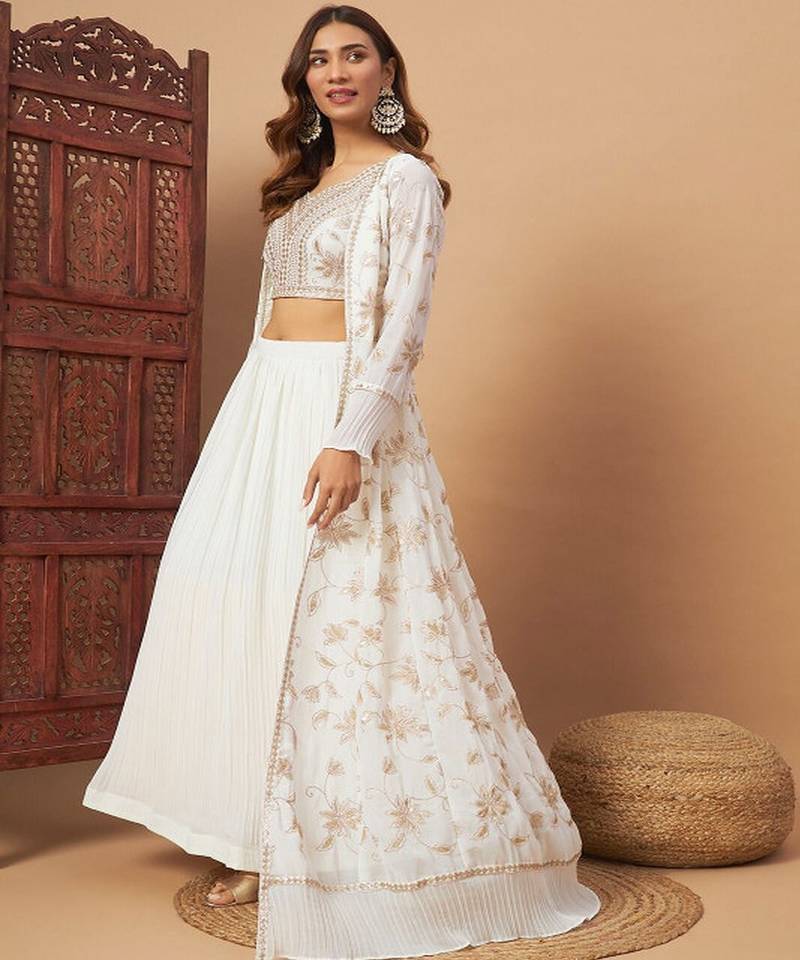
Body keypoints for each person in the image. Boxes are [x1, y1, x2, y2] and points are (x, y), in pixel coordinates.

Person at [85, 3, 602, 954]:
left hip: (338, 407)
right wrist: (246, 419)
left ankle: (306, 844)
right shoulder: (303, 186)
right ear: (305, 82)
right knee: (239, 600)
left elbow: (405, 323)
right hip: (264, 402)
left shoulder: (406, 181)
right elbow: (270, 316)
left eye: (355, 55)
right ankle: (248, 828)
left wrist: (351, 436)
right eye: (319, 60)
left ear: (387, 71)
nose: (336, 72)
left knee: (333, 625)